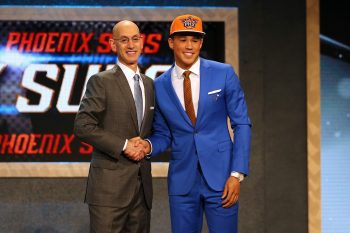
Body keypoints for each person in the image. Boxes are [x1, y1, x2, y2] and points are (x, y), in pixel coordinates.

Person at [137, 14, 251, 233]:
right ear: (171, 42)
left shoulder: (224, 73)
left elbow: (242, 124)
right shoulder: (159, 86)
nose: (189, 46)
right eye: (183, 39)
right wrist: (148, 146)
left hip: (222, 180)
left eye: (195, 40)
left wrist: (237, 174)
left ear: (201, 42)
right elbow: (163, 134)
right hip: (182, 182)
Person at [74, 20, 154, 233]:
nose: (131, 45)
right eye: (124, 40)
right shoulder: (101, 81)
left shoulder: (149, 84)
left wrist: (147, 144)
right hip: (108, 191)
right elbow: (83, 125)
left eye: (135, 39)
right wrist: (124, 145)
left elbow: (155, 130)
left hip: (141, 191)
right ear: (112, 45)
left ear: (142, 42)